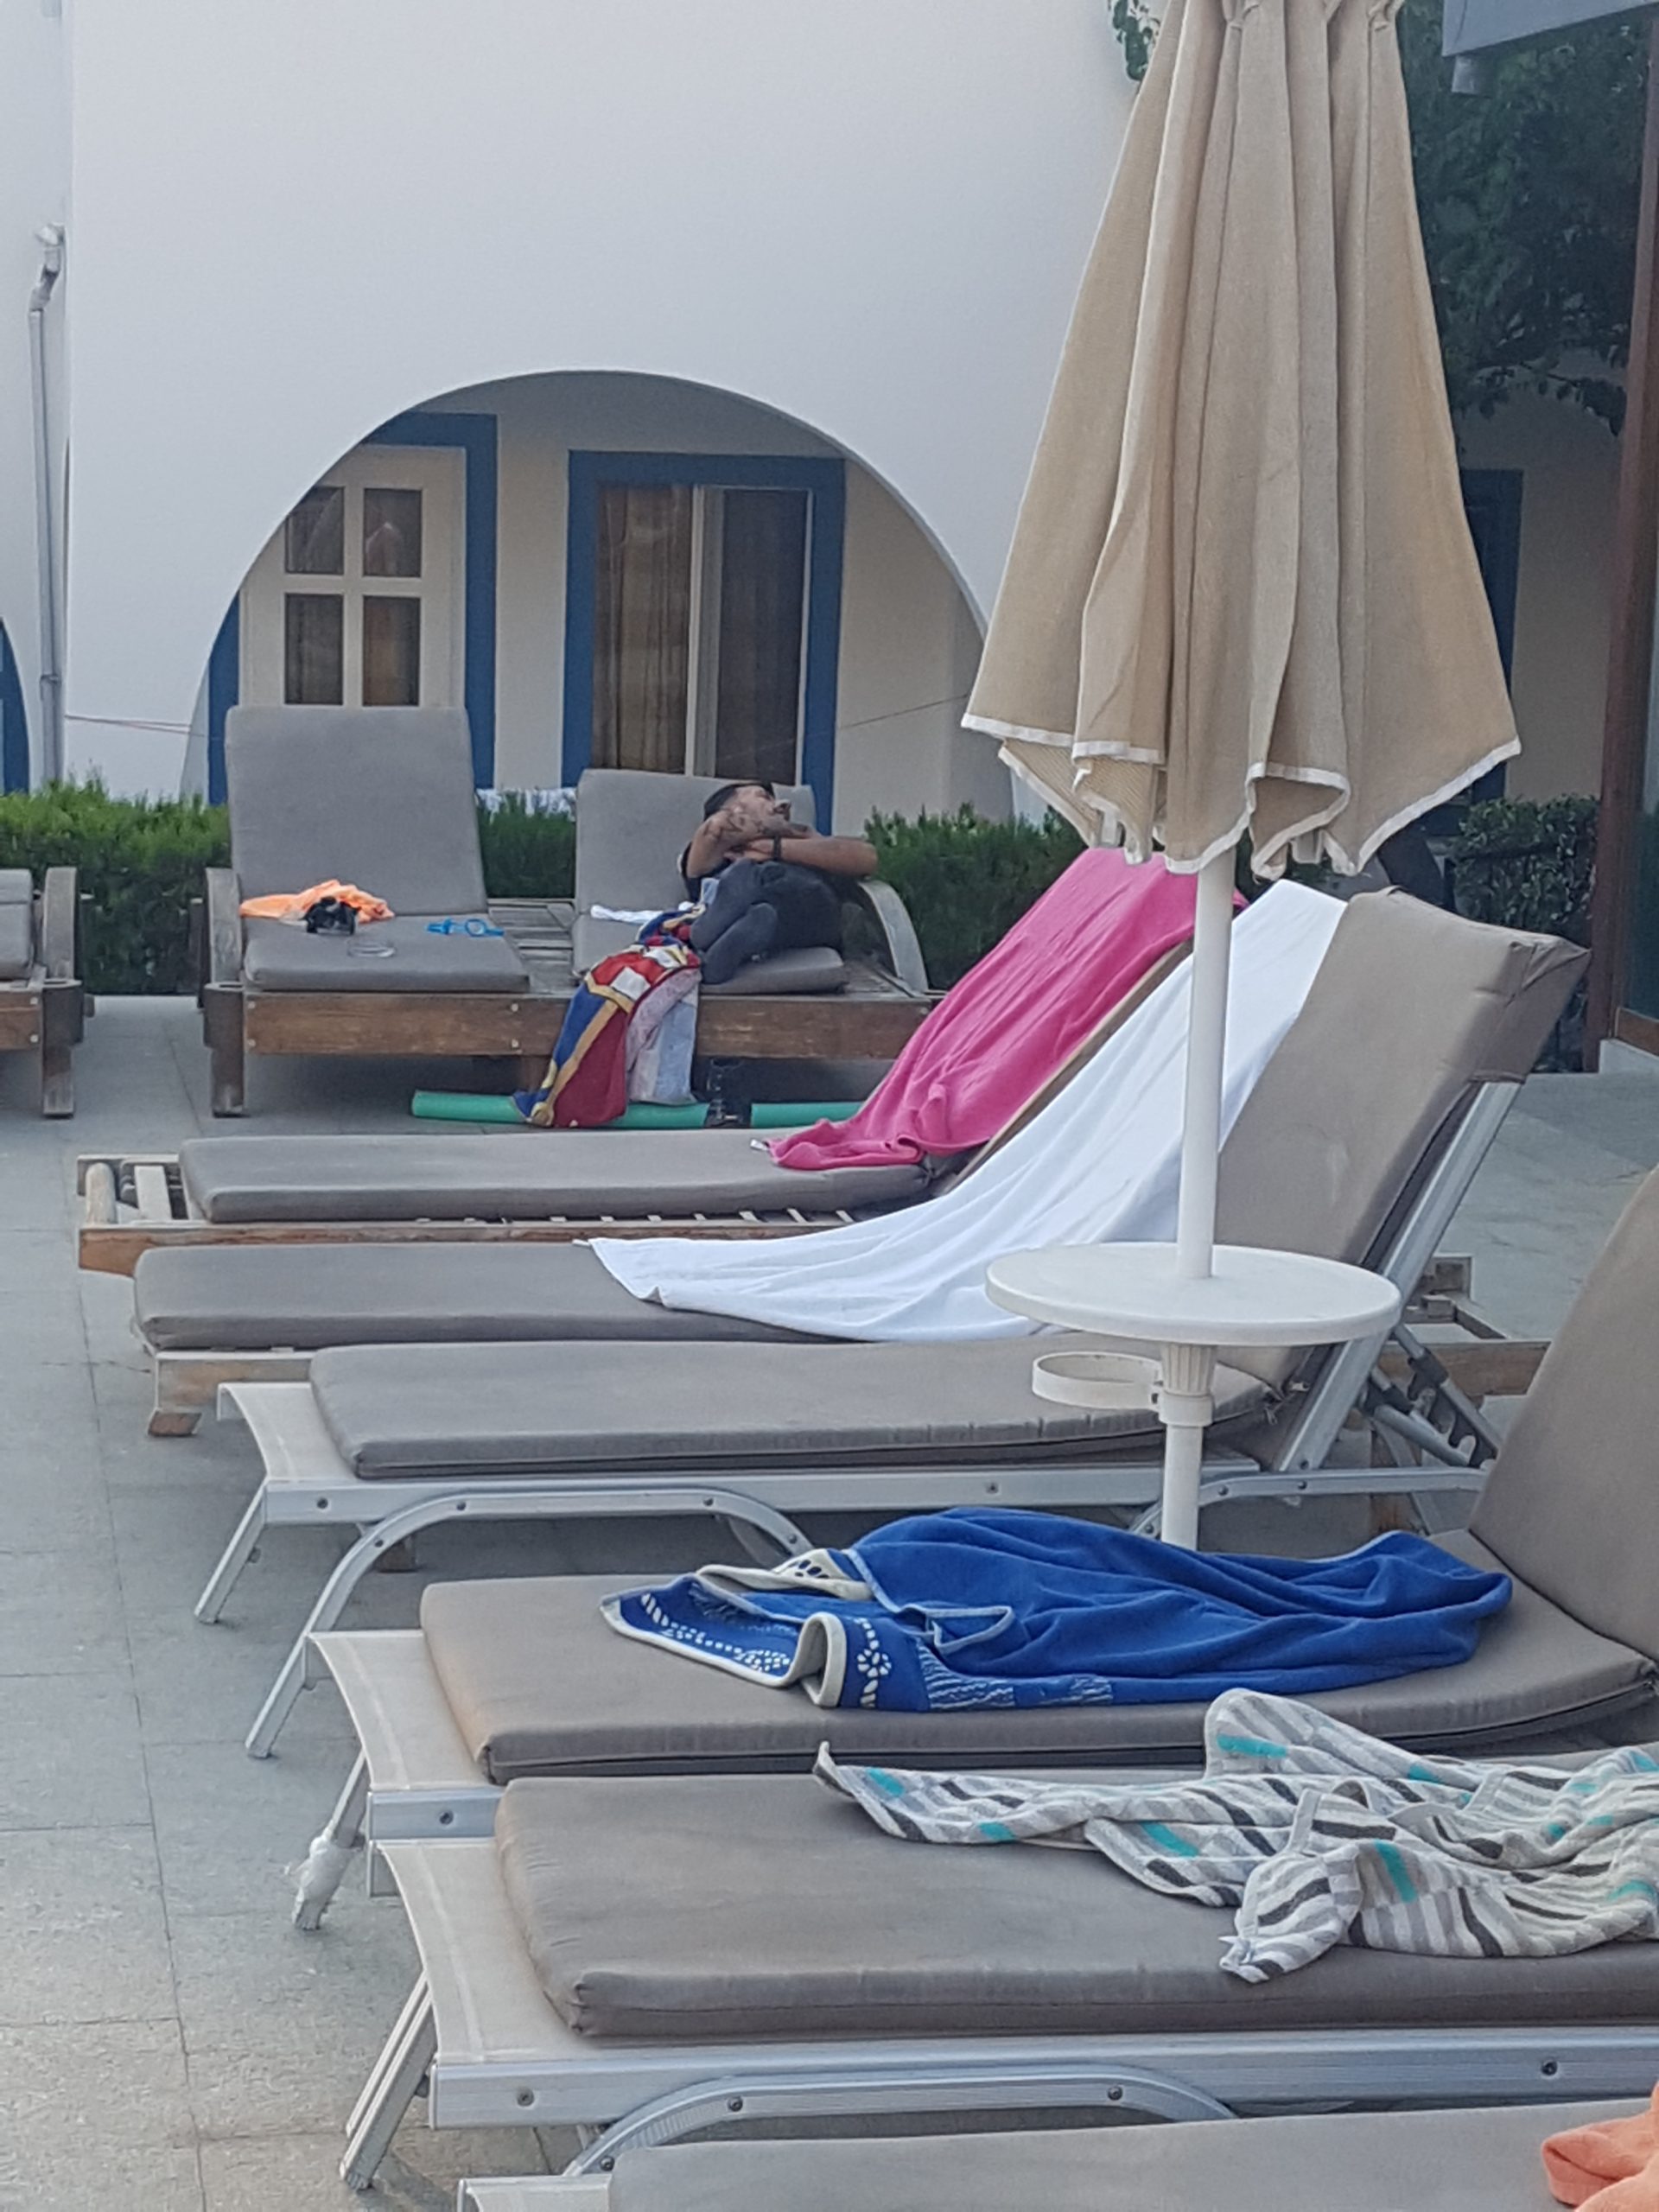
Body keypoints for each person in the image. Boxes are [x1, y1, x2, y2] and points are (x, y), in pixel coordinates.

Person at [678, 780, 878, 986]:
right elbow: (714, 830)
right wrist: (752, 826)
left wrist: (777, 844)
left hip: (812, 914)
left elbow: (867, 858)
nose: (782, 805)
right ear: (733, 809)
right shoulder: (718, 854)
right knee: (747, 879)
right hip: (748, 904)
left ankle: (735, 935)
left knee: (774, 889)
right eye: (763, 797)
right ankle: (722, 936)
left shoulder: (802, 840)